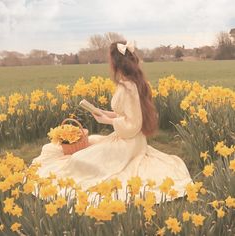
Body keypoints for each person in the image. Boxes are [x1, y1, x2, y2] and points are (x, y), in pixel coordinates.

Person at [32, 41, 193, 203]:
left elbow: (133, 124)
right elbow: (126, 114)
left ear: (115, 63)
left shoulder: (128, 88)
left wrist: (108, 121)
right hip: (130, 139)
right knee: (92, 142)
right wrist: (104, 113)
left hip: (129, 144)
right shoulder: (131, 83)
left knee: (78, 160)